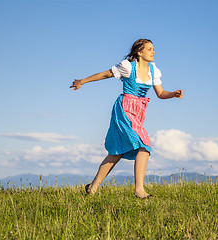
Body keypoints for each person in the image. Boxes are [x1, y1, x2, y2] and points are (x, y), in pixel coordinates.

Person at [70, 39, 183, 198]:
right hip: (124, 109)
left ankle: (92, 187)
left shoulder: (153, 70)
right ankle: (139, 190)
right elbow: (105, 74)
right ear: (139, 52)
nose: (153, 51)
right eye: (149, 49)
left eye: (153, 49)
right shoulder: (128, 66)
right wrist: (82, 81)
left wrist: (173, 94)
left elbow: (160, 93)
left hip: (139, 111)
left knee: (117, 152)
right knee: (144, 144)